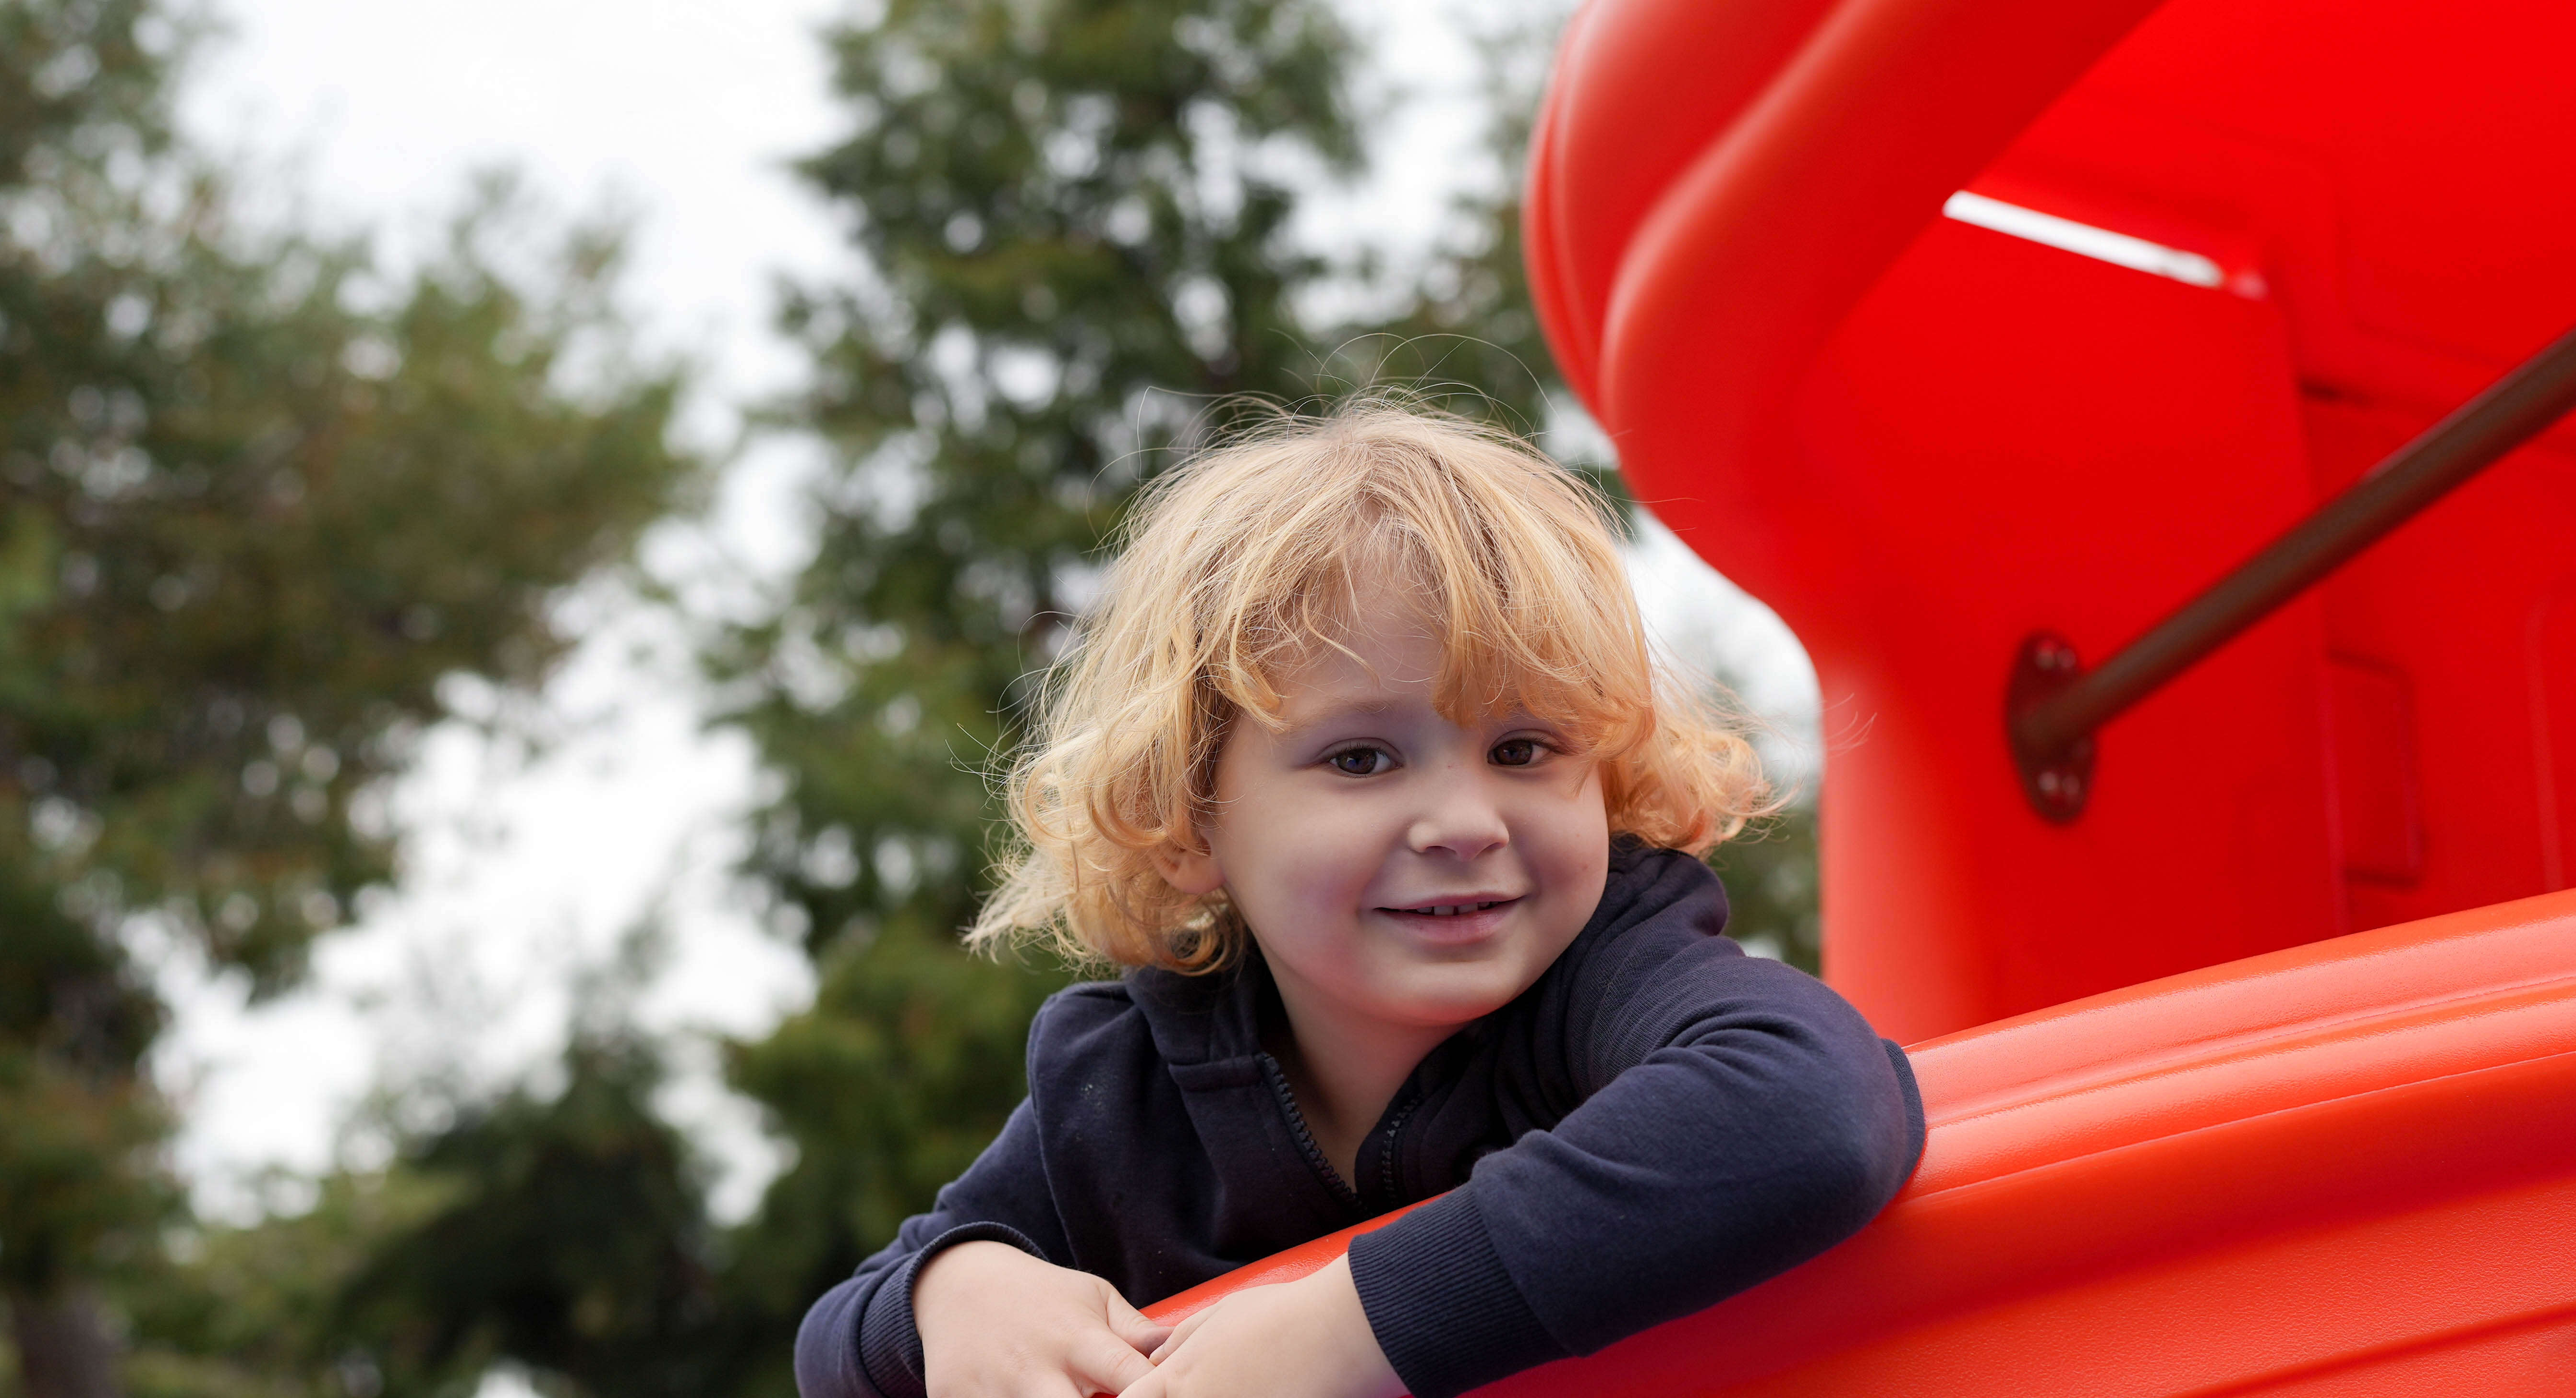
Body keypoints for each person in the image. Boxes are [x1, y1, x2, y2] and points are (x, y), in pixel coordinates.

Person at [791, 403, 1925, 1398]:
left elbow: (1813, 1104)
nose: (1466, 820)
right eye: (1362, 760)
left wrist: (1356, 1325)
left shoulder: (1609, 976)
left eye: (1524, 747)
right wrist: (954, 1290)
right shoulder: (1127, 1089)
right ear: (1191, 823)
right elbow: (839, 1335)